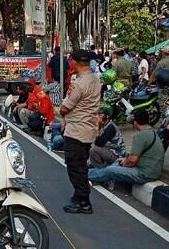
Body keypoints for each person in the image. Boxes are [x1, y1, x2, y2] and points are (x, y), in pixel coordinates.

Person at [60, 49, 102, 214]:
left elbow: (66, 107)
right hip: (88, 129)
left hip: (76, 129)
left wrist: (61, 112)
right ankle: (79, 197)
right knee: (80, 165)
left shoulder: (79, 83)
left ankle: (83, 200)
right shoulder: (95, 80)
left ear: (74, 62)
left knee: (75, 166)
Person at [88, 109, 164, 190]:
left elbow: (132, 161)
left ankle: (85, 175)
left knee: (111, 170)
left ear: (135, 122)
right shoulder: (152, 132)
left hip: (144, 174)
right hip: (153, 172)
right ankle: (99, 175)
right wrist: (125, 160)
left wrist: (124, 163)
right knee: (114, 165)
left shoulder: (141, 136)